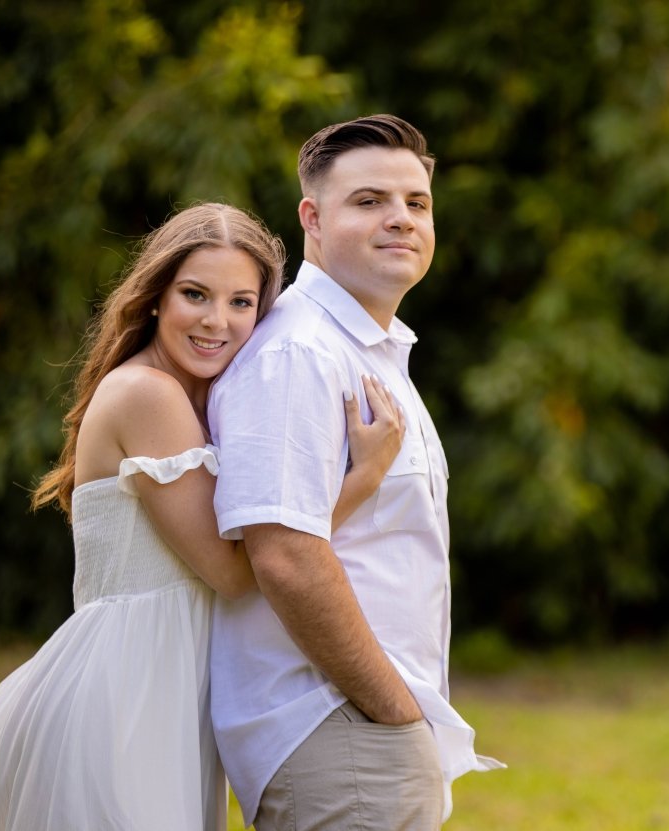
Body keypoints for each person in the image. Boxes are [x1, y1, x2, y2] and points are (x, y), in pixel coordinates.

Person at [0, 203, 404, 829]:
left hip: (163, 686)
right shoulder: (149, 394)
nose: (218, 320)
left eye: (242, 303)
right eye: (195, 294)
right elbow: (235, 573)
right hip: (126, 691)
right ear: (156, 297)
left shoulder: (186, 396)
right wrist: (362, 479)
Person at [208, 113, 500, 830]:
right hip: (337, 722)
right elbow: (283, 555)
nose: (400, 218)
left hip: (365, 725)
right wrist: (396, 709)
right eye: (369, 201)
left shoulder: (371, 350)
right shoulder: (299, 353)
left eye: (416, 203)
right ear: (312, 217)